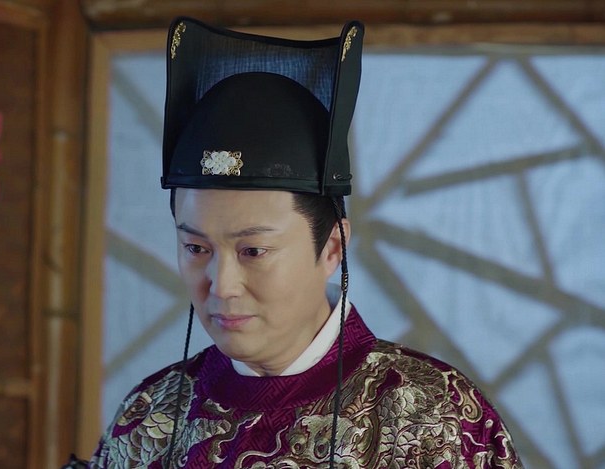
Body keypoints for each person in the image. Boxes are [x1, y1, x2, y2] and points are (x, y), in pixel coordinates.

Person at [88, 17, 522, 469]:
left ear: (333, 247)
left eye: (253, 251)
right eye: (197, 249)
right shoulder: (150, 415)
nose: (222, 285)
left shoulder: (433, 415)